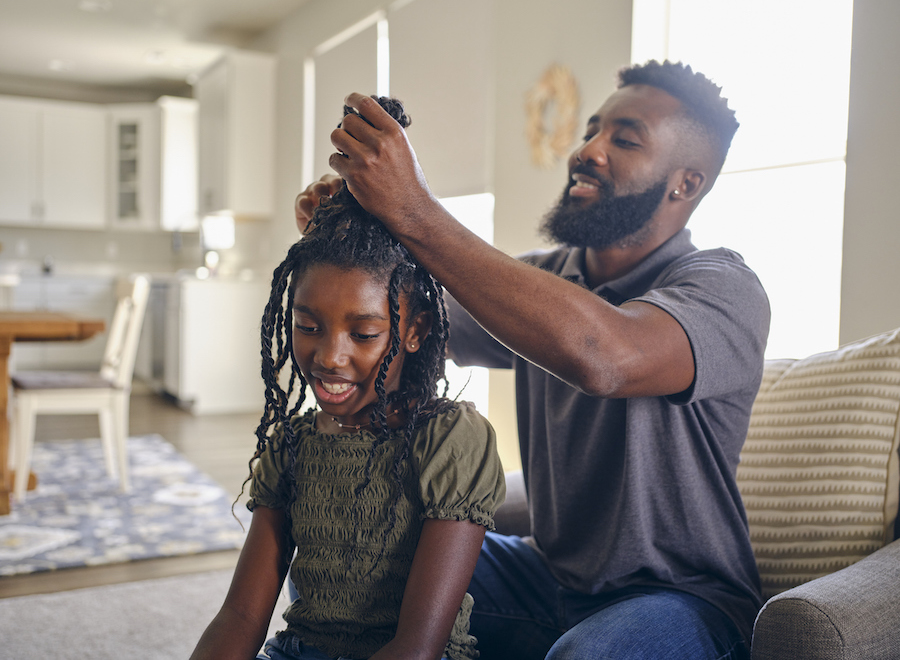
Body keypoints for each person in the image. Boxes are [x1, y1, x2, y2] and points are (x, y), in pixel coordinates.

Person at [294, 60, 770, 659]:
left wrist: (415, 210)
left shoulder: (723, 288)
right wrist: (357, 248)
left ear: (686, 183)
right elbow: (407, 326)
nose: (588, 150)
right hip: (545, 580)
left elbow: (607, 355)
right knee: (350, 557)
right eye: (592, 130)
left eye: (624, 140)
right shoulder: (545, 278)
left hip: (685, 602)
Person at [191, 98, 506, 660]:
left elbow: (418, 646)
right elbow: (241, 616)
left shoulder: (450, 442)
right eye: (308, 326)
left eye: (363, 334)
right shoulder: (292, 446)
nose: (330, 358)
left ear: (414, 330)